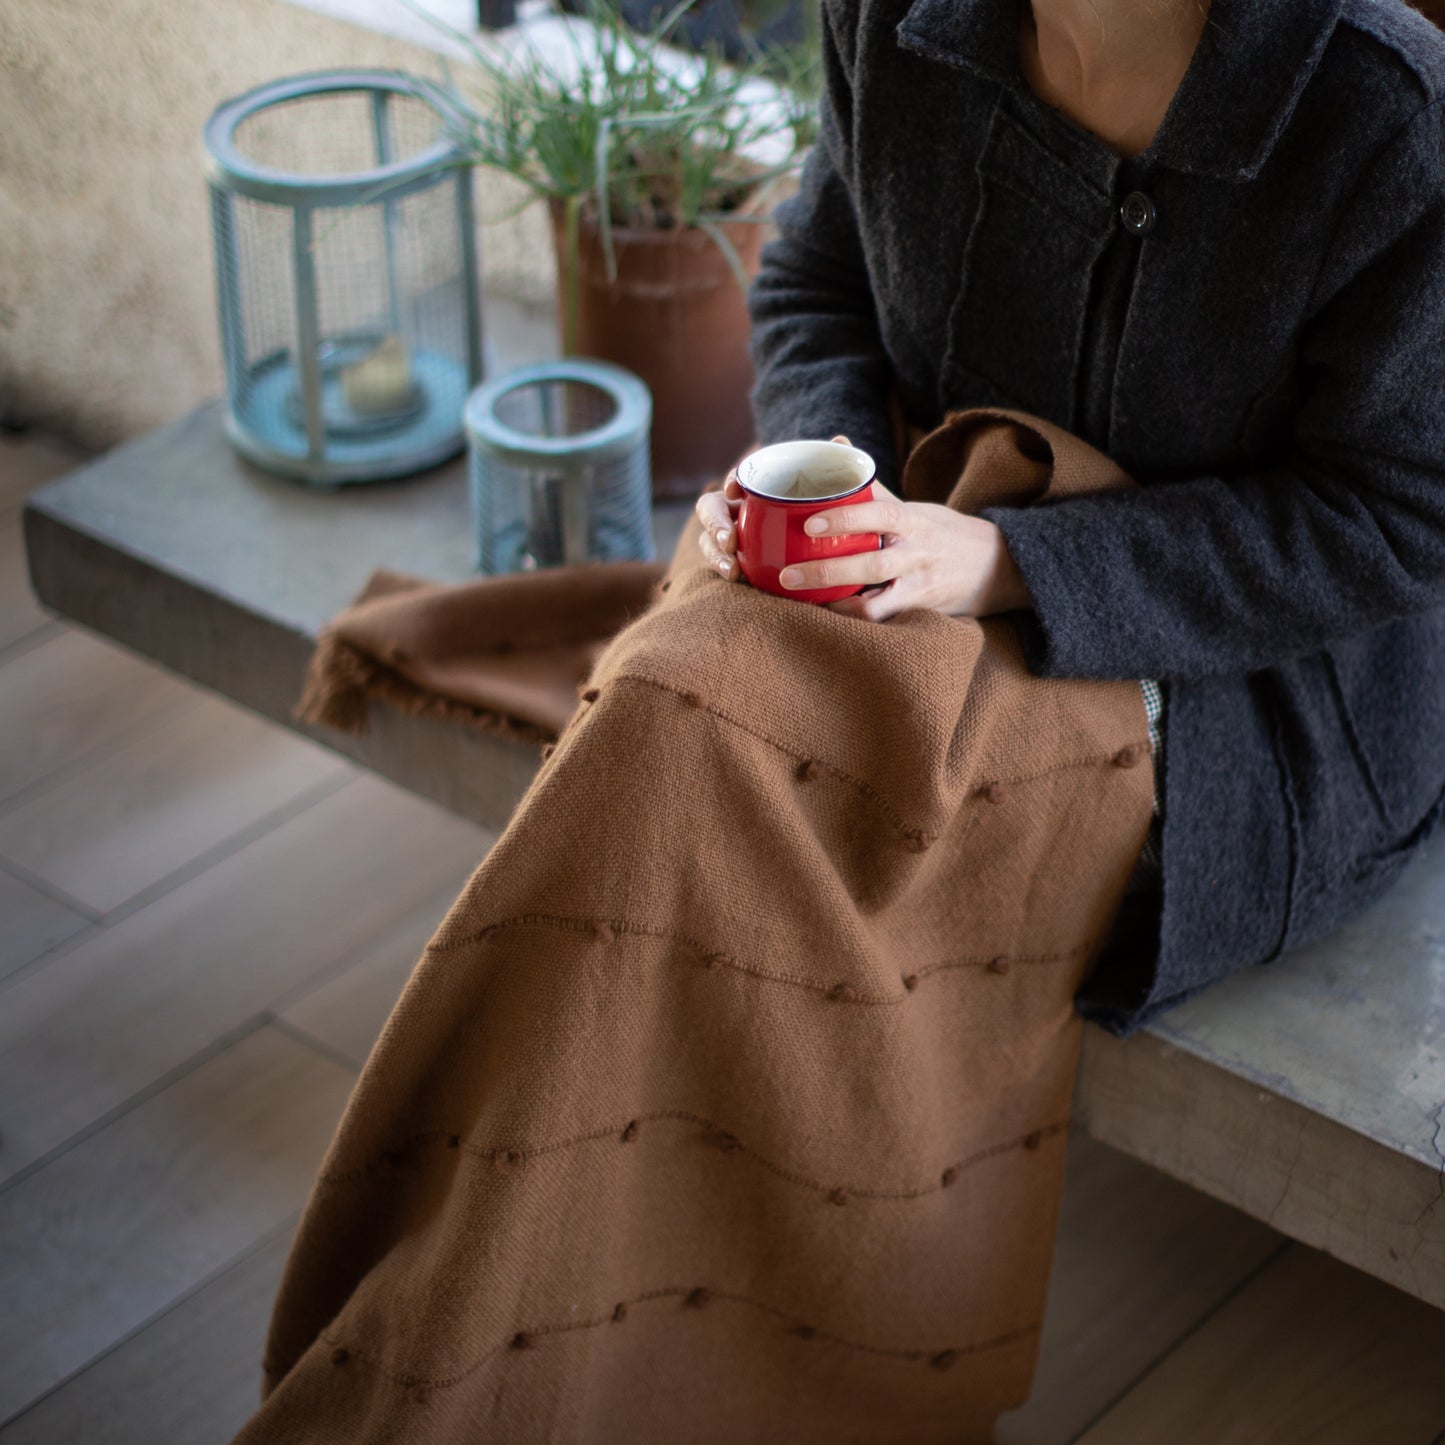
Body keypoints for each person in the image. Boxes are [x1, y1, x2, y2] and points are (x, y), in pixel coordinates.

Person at [697, 0, 1445, 1036]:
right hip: (912, 540)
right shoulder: (883, 15)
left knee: (732, 764)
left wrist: (1014, 562)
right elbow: (817, 282)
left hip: (1244, 697)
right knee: (683, 712)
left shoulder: (1388, 115)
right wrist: (825, 490)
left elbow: (1397, 513)